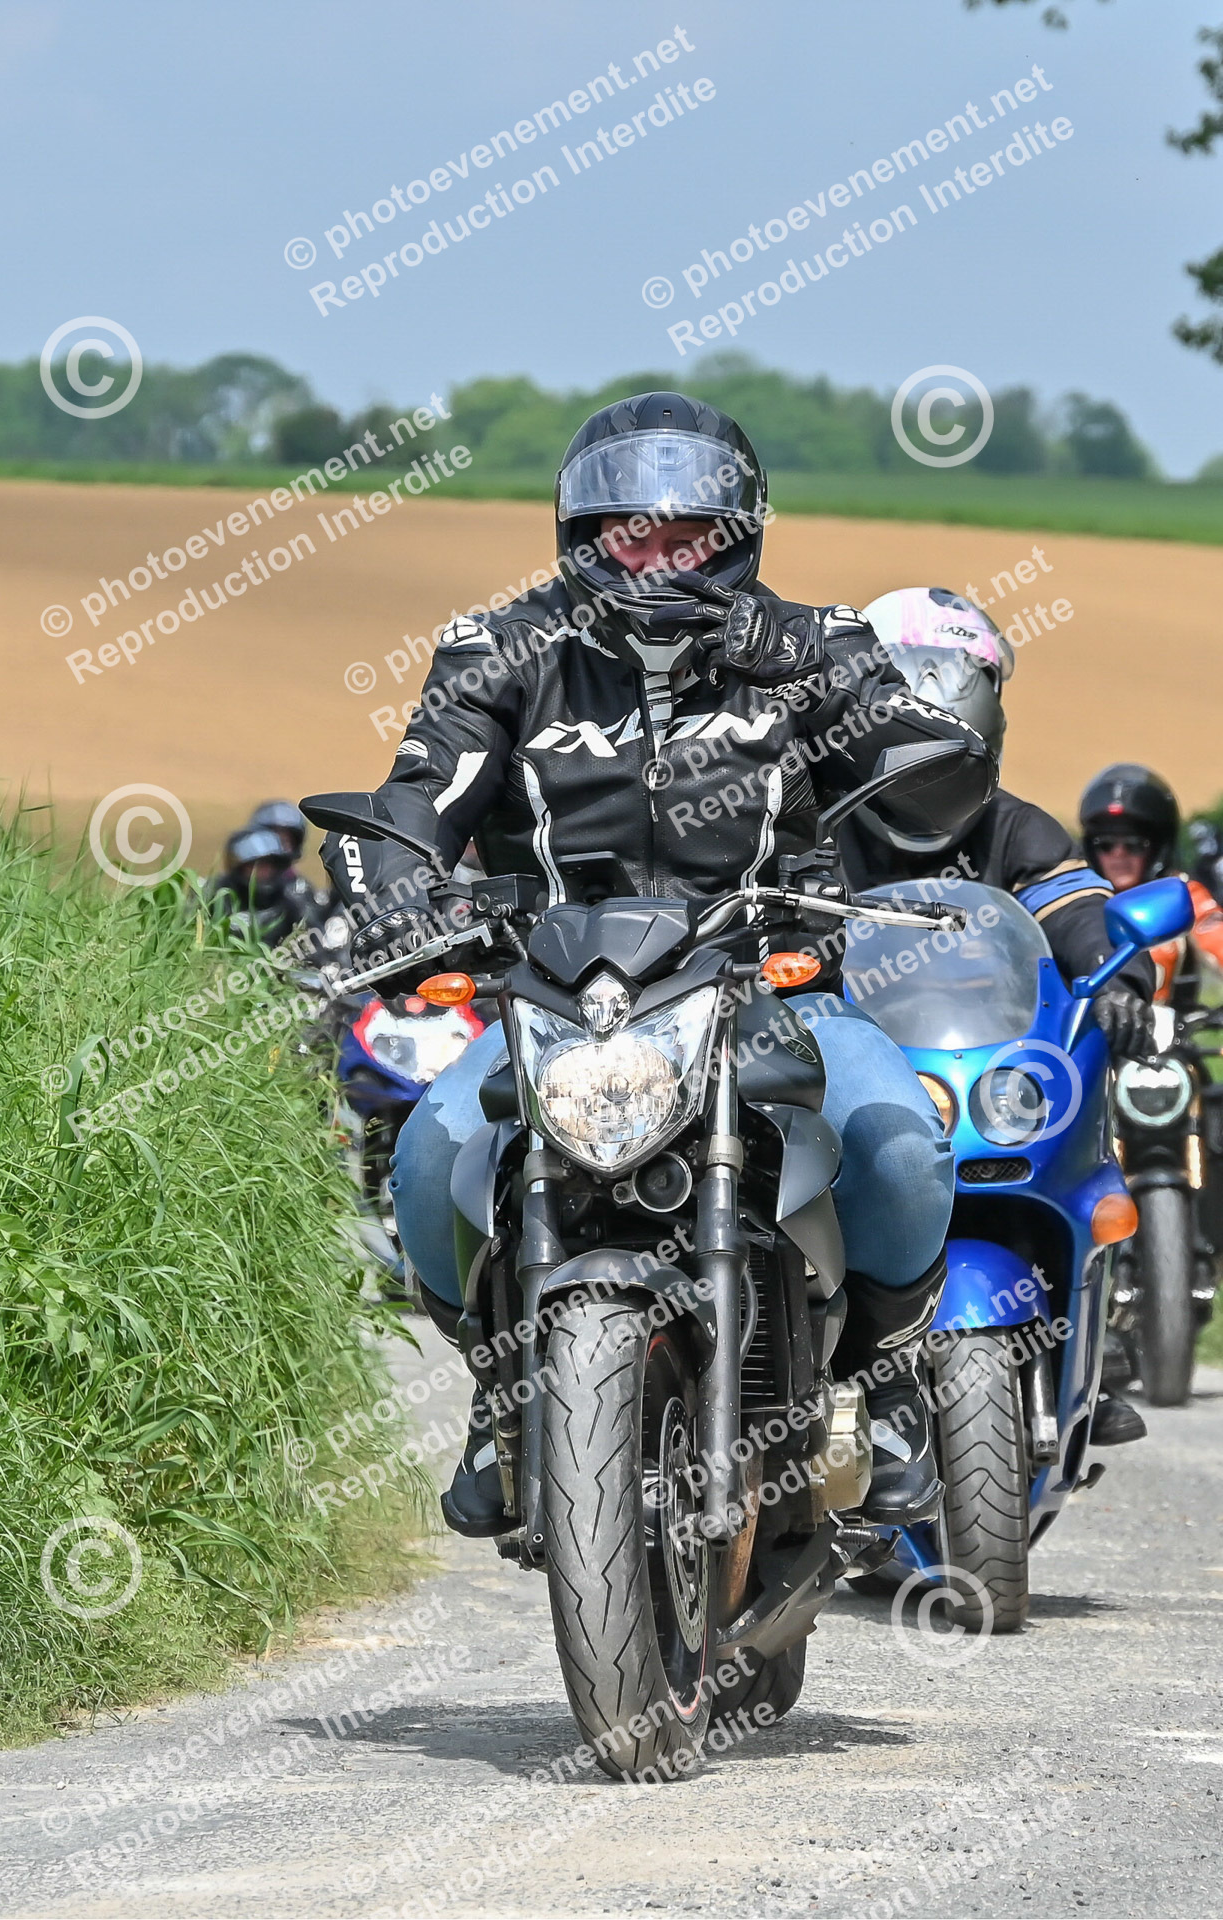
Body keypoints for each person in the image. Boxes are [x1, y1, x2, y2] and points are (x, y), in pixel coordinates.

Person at [320, 390, 995, 1535]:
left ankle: (881, 1391)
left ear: (737, 536)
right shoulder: (500, 650)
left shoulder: (818, 642)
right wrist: (393, 890)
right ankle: (499, 1389)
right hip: (553, 999)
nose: (659, 556)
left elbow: (932, 775)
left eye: (688, 534)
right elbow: (417, 794)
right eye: (631, 534)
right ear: (581, 536)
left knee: (900, 1151)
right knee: (432, 1155)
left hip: (768, 987)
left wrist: (830, 682)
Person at [838, 589, 1158, 1447]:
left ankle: (1092, 1341)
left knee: (1089, 1156)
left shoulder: (1016, 829)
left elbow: (1078, 908)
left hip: (985, 1064)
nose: (927, 790)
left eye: (947, 769)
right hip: (853, 1069)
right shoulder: (808, 827)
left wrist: (1121, 980)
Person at [1080, 766, 1223, 1003]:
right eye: (1105, 844)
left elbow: (1216, 936)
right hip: (1081, 1024)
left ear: (1157, 848)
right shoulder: (1074, 899)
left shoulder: (1181, 895)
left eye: (1134, 844)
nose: (1118, 854)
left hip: (1164, 1024)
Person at [207, 825, 324, 948]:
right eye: (256, 866)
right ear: (239, 867)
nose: (264, 871)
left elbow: (317, 942)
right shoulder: (216, 896)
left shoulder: (293, 901)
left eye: (269, 865)